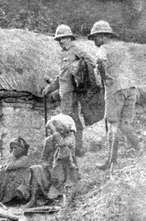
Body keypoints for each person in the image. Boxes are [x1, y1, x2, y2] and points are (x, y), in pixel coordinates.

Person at [88, 20, 141, 171]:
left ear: (103, 36)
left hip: (115, 88)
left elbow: (99, 60)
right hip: (131, 88)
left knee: (113, 125)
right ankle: (141, 151)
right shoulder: (122, 48)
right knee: (125, 124)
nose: (94, 42)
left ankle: (111, 162)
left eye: (95, 38)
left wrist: (105, 77)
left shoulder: (104, 48)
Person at [42, 24, 94, 157]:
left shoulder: (76, 50)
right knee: (74, 120)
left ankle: (68, 150)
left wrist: (77, 68)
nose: (60, 41)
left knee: (64, 121)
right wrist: (49, 88)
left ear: (70, 38)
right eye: (59, 39)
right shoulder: (63, 54)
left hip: (71, 92)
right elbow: (62, 77)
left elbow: (90, 62)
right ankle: (78, 149)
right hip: (64, 92)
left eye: (63, 38)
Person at [25, 114, 80, 208]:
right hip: (51, 171)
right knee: (35, 169)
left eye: (59, 129)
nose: (54, 132)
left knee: (64, 153)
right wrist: (47, 166)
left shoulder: (70, 138)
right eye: (54, 129)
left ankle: (64, 199)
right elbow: (43, 159)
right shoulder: (49, 140)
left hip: (67, 172)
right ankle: (33, 199)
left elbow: (62, 144)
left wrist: (55, 131)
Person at [0, 137, 32, 204]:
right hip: (14, 178)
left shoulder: (25, 159)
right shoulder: (15, 158)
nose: (12, 150)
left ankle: (4, 199)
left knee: (4, 174)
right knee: (0, 173)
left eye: (14, 148)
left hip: (21, 182)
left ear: (21, 149)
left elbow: (10, 166)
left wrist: (12, 155)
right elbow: (8, 166)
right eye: (11, 148)